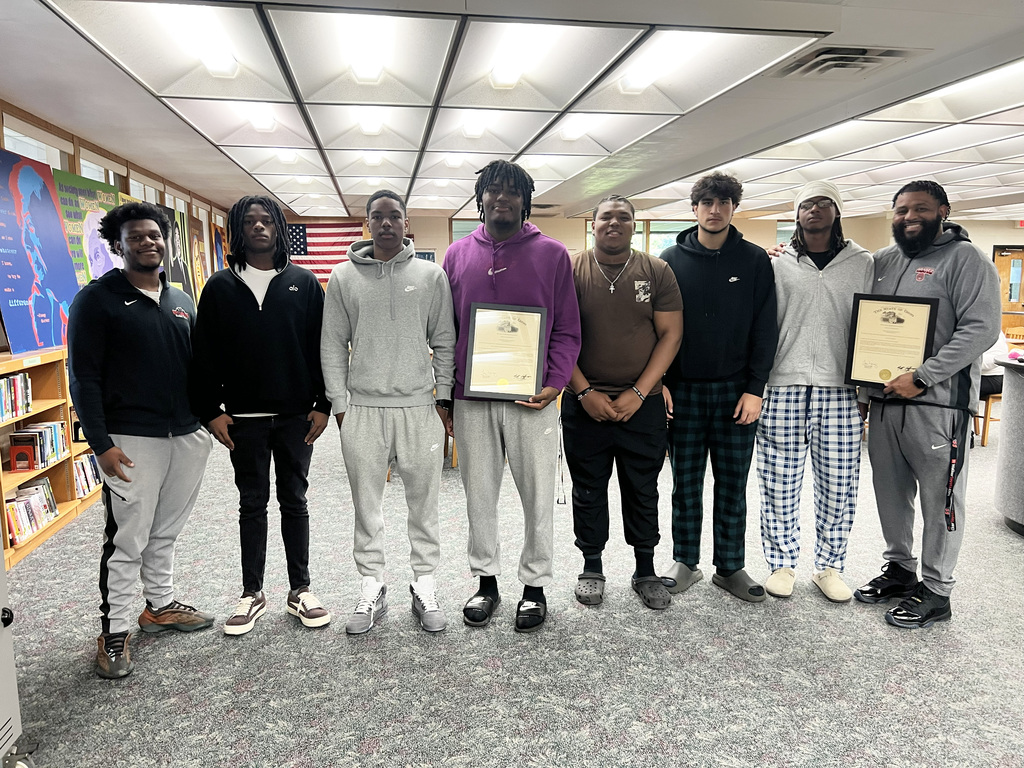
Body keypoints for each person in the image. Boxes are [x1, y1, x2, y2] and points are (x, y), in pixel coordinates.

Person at [68, 201, 213, 679]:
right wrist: (100, 442)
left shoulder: (181, 299)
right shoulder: (97, 300)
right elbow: (84, 378)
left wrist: (210, 419)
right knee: (128, 536)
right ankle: (113, 633)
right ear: (118, 245)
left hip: (188, 435)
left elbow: (199, 368)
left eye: (155, 235)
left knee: (166, 529)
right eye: (136, 237)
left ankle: (160, 605)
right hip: (132, 439)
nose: (149, 242)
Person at [442, 159, 581, 633]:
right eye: (493, 190)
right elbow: (446, 332)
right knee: (478, 492)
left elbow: (566, 329)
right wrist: (447, 394)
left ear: (526, 199)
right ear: (480, 198)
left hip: (533, 397)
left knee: (538, 494)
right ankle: (486, 582)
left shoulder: (552, 254)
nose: (502, 198)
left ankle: (535, 587)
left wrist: (555, 383)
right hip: (473, 398)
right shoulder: (457, 255)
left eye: (512, 191)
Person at [855, 180, 1000, 628]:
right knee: (890, 494)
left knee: (942, 500)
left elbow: (981, 329)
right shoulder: (884, 260)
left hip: (937, 407)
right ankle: (900, 569)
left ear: (943, 210)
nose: (908, 217)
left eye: (920, 209)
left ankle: (937, 590)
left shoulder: (967, 260)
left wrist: (922, 376)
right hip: (884, 404)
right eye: (900, 210)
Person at [189, 195, 332, 636]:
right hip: (243, 419)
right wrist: (210, 411)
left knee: (295, 500)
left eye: (266, 219)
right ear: (238, 230)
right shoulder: (218, 287)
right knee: (251, 503)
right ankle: (251, 593)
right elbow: (204, 356)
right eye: (248, 220)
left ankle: (300, 590)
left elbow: (321, 349)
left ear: (278, 228)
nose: (258, 226)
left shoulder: (305, 283)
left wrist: (323, 405)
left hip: (294, 417)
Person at [321, 190, 456, 635]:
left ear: (405, 222)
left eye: (393, 216)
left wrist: (443, 398)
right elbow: (332, 345)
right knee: (366, 505)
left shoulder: (431, 275)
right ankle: (371, 586)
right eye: (377, 217)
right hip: (363, 409)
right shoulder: (342, 278)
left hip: (418, 407)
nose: (385, 224)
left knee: (425, 503)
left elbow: (444, 342)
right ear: (367, 223)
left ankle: (425, 583)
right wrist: (341, 405)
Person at [660, 171, 778, 603]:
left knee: (732, 483)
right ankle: (685, 561)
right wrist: (661, 385)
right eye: (707, 203)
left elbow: (766, 328)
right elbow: (659, 329)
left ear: (733, 208)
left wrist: (755, 388)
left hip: (735, 392)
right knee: (684, 483)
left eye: (723, 202)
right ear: (694, 210)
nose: (715, 210)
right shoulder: (670, 259)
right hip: (683, 390)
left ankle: (729, 567)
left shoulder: (753, 260)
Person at [755, 181, 874, 603]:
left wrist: (866, 390)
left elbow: (875, 327)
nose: (815, 210)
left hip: (840, 387)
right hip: (782, 384)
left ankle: (830, 566)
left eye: (825, 204)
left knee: (840, 482)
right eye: (807, 204)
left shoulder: (863, 263)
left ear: (837, 212)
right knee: (778, 480)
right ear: (796, 214)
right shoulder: (776, 262)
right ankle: (781, 563)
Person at [564, 195, 682, 609]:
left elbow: (670, 335)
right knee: (588, 488)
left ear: (634, 225)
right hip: (583, 402)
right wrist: (583, 391)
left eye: (624, 217)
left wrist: (638, 392)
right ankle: (592, 566)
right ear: (592, 224)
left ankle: (645, 570)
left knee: (642, 487)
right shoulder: (570, 269)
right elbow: (557, 337)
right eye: (605, 217)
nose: (614, 223)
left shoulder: (657, 270)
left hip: (642, 404)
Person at [980, 331, 1009, 398]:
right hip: (977, 375)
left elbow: (996, 359)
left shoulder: (993, 329)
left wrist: (966, 363)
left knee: (958, 386)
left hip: (994, 377)